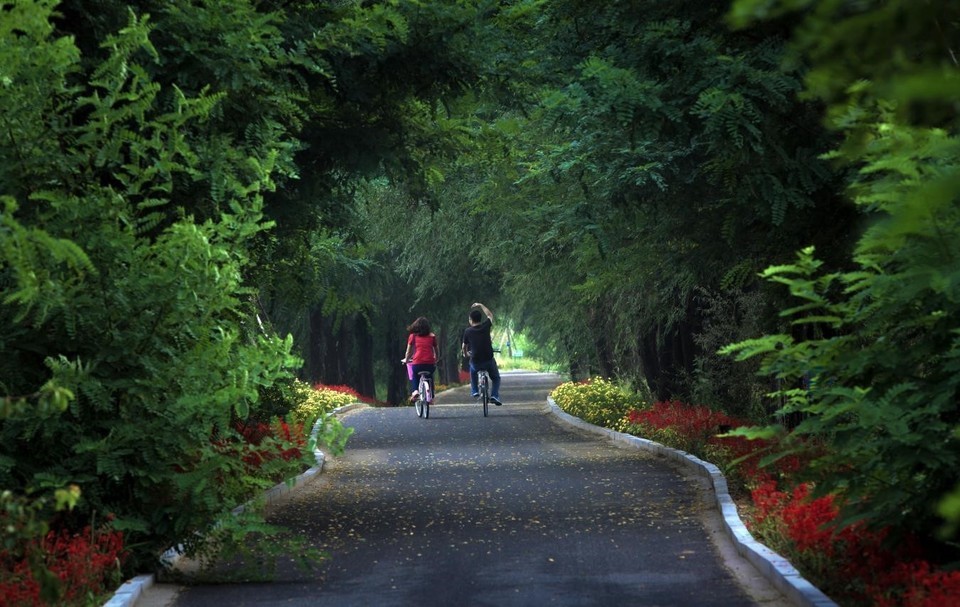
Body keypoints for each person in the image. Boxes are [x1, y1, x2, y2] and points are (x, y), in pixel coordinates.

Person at [460, 302, 502, 406]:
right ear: (480, 319)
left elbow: (464, 346)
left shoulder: (468, 331)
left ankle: (474, 390)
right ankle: (494, 395)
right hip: (488, 360)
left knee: (473, 370)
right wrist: (481, 305)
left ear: (470, 320)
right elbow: (489, 315)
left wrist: (465, 354)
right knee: (496, 378)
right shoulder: (486, 326)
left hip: (476, 361)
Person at [402, 316, 439, 402]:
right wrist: (436, 359)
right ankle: (431, 395)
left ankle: (415, 391)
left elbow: (409, 352)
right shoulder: (432, 336)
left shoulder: (412, 336)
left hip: (417, 363)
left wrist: (406, 360)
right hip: (430, 364)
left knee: (415, 375)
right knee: (430, 376)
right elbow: (437, 350)